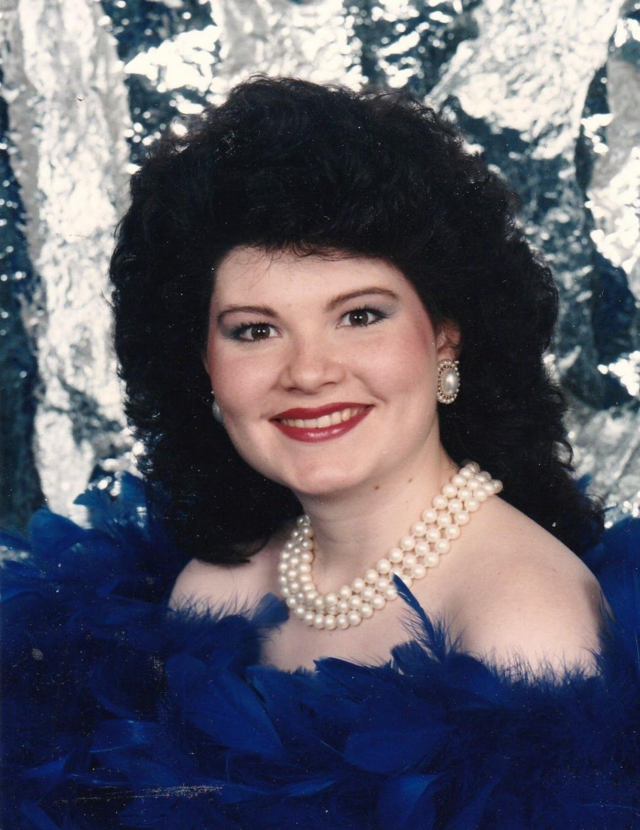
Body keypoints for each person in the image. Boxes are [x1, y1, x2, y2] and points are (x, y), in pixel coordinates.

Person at [2, 76, 639, 828]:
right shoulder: (215, 592)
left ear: (445, 337)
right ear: (204, 368)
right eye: (255, 330)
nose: (307, 372)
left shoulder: (524, 621)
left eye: (359, 316)